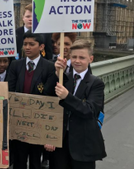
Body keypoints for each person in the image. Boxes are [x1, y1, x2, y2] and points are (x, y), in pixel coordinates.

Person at [45, 40, 106, 169]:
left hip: (83, 145)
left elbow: (89, 111)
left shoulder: (96, 84)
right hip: (60, 143)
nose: (77, 61)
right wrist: (56, 73)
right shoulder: (63, 78)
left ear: (91, 59)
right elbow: (48, 99)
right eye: (74, 57)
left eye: (82, 57)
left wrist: (67, 96)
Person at [7, 31, 58, 169]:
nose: (27, 47)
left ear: (41, 47)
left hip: (38, 122)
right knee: (19, 160)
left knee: (36, 160)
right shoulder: (15, 65)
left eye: (31, 44)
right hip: (18, 121)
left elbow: (50, 95)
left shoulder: (49, 67)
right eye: (25, 44)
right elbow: (9, 91)